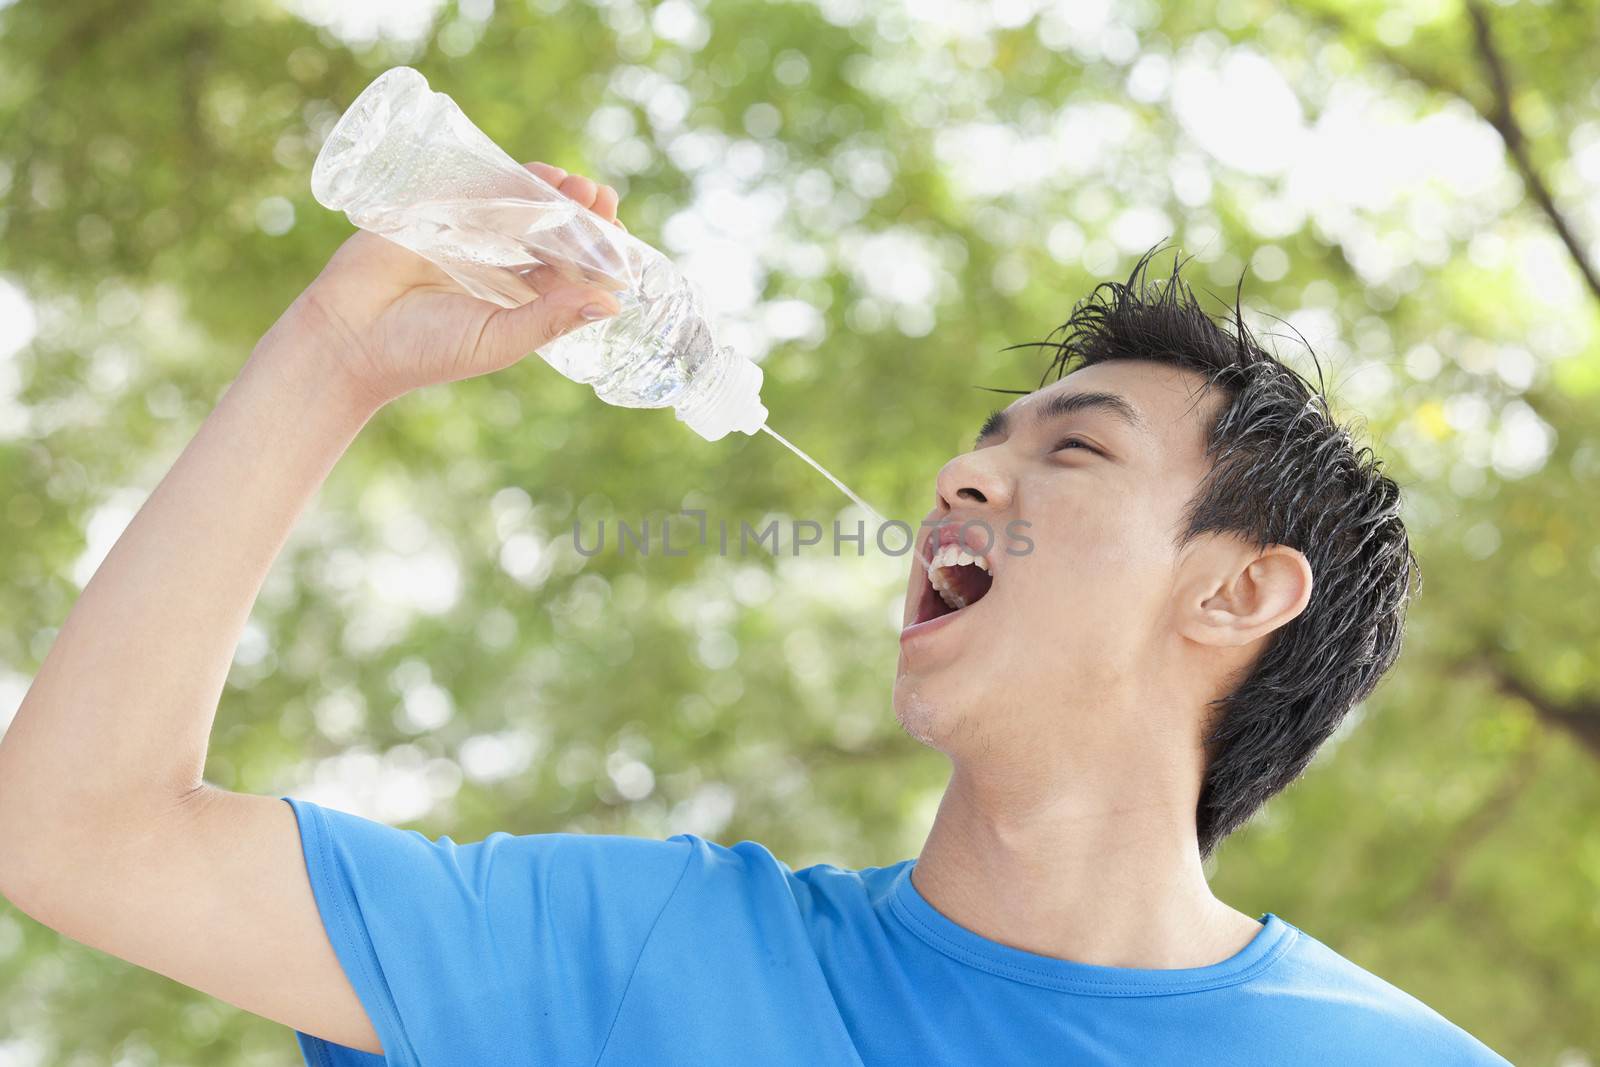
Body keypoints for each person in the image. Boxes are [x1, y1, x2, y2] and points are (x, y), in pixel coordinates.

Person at [0, 163, 1509, 1066]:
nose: (962, 474)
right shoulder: (644, 954)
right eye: (983, 438)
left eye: (1075, 447)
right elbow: (82, 831)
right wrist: (337, 353)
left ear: (1238, 590)